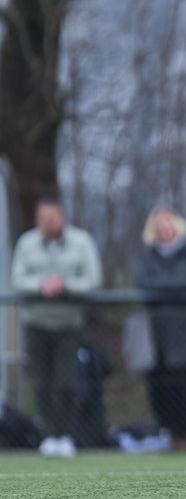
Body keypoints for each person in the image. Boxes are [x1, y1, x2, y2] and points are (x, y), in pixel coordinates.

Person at [9, 196, 102, 457]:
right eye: (43, 218)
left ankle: (65, 434)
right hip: (36, 322)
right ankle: (48, 435)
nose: (48, 223)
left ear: (62, 217)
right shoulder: (27, 243)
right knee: (41, 383)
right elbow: (17, 278)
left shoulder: (81, 242)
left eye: (53, 217)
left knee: (65, 382)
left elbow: (92, 279)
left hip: (68, 323)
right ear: (37, 220)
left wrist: (65, 286)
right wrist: (42, 286)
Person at [134, 207, 186, 452]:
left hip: (185, 331)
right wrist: (178, 288)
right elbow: (145, 284)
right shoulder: (149, 256)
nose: (163, 229)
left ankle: (182, 435)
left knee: (179, 385)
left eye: (167, 224)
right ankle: (164, 432)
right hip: (155, 332)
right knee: (157, 385)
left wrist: (167, 289)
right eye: (158, 226)